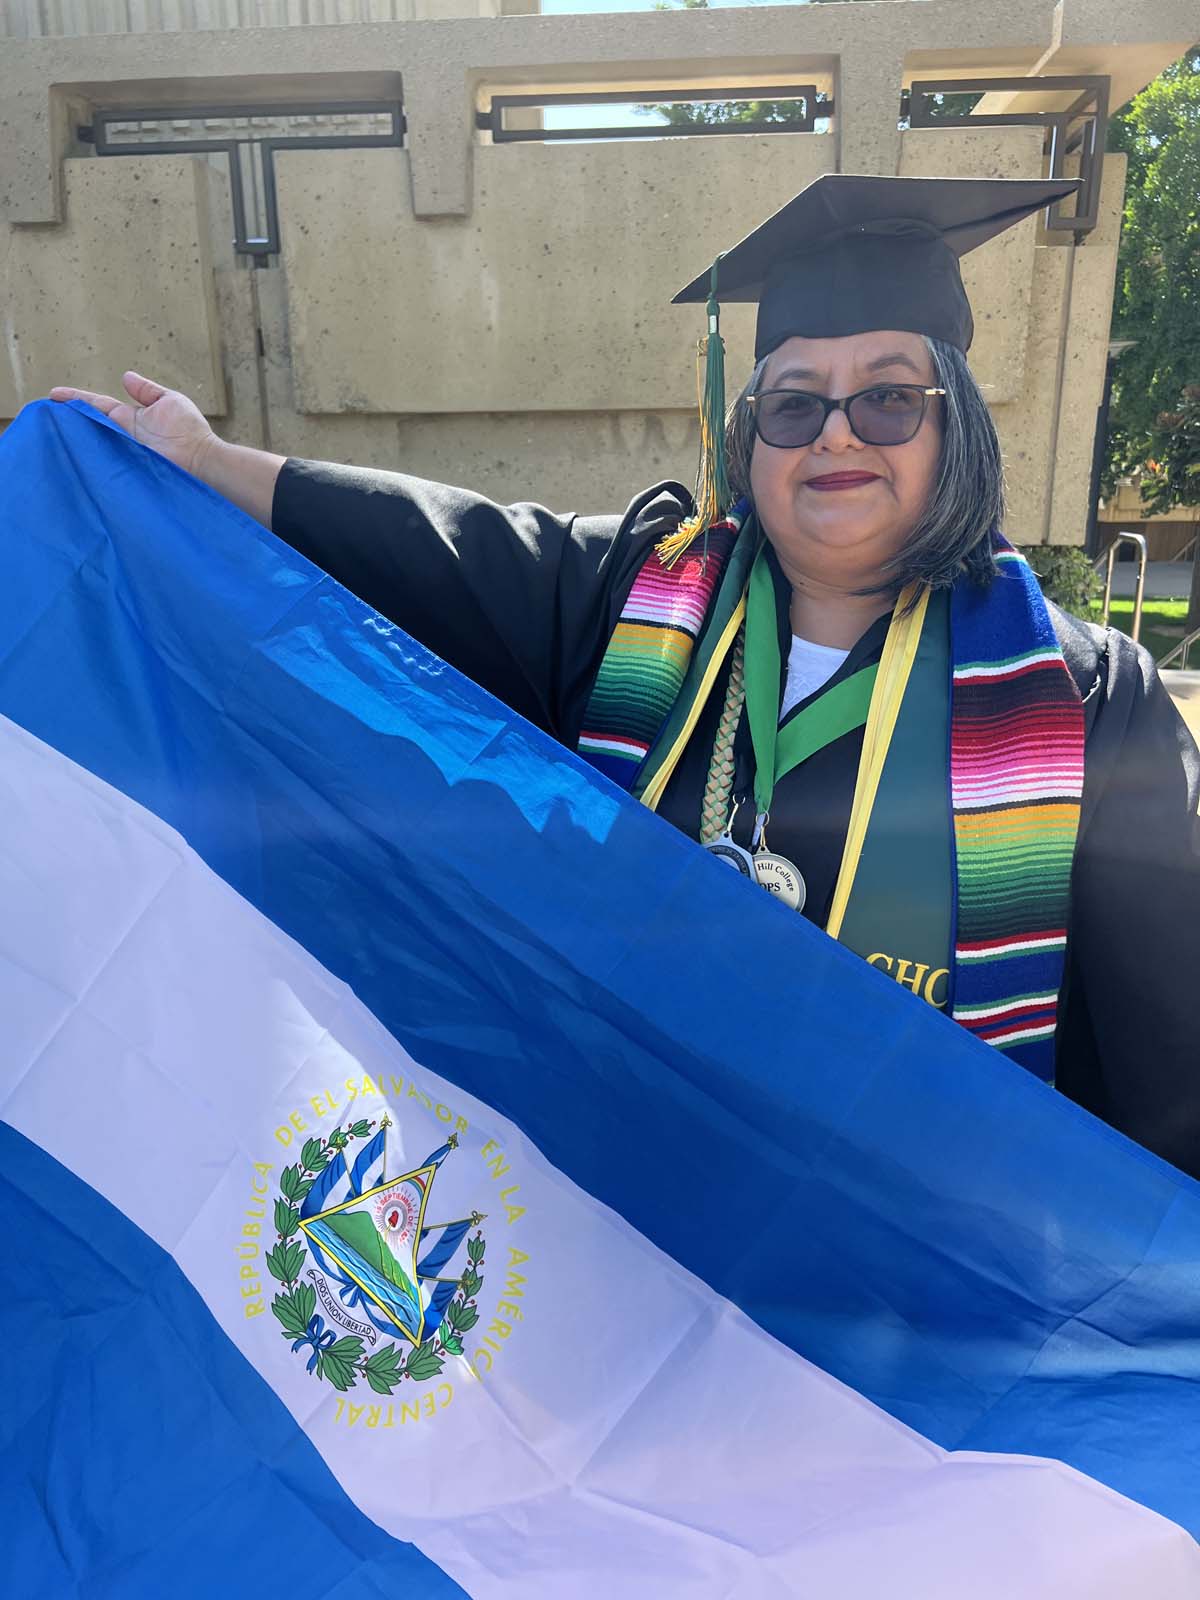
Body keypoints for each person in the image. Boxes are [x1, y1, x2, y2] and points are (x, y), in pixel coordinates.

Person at [51, 174, 1200, 1177]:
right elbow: (437, 550)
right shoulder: (636, 597)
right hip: (650, 1228)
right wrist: (203, 464)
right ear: (745, 433)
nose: (838, 435)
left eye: (890, 397)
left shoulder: (1090, 707)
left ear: (957, 426)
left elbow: (1168, 1070)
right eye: (794, 403)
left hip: (927, 1283)